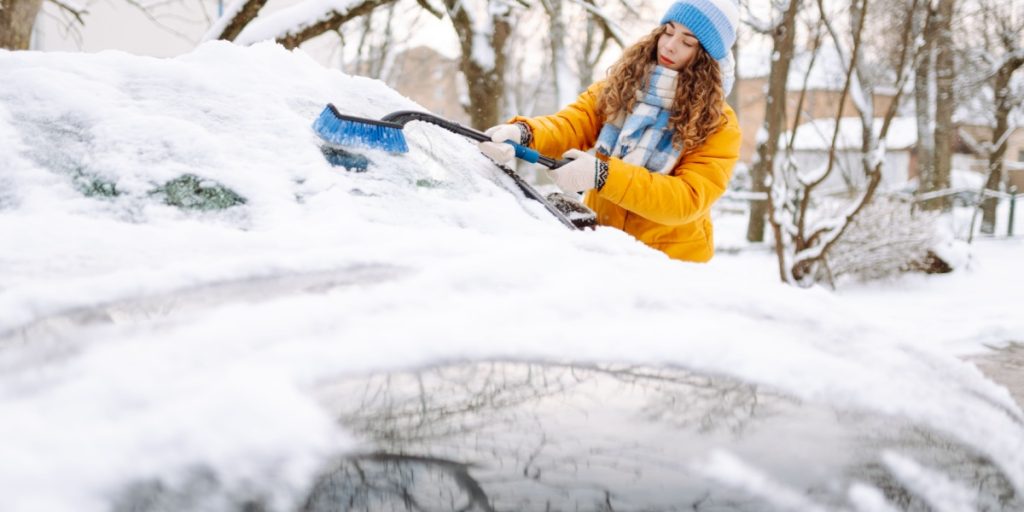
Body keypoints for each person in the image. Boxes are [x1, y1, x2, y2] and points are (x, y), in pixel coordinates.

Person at [478, 0, 742, 263]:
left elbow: (687, 199)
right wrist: (524, 133)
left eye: (688, 42)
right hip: (604, 248)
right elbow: (572, 124)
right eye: (668, 31)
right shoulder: (622, 85)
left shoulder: (717, 122)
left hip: (669, 264)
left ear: (706, 56)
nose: (669, 45)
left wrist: (604, 175)